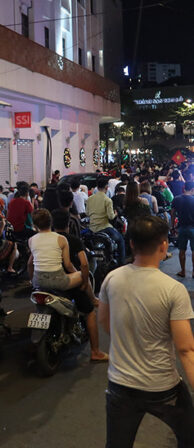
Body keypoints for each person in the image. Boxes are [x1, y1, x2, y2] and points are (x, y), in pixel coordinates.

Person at [98, 216, 194, 448]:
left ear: (131, 243)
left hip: (120, 384)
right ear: (163, 246)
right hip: (162, 387)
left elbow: (105, 322)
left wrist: (130, 343)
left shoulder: (112, 278)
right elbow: (185, 349)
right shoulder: (173, 290)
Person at [52, 209, 108, 362]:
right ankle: (95, 351)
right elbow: (84, 264)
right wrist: (83, 281)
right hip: (67, 282)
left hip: (43, 283)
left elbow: (31, 263)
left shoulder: (44, 239)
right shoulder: (73, 241)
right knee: (90, 312)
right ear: (68, 224)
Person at [27, 209, 82, 292]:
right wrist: (76, 273)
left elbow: (29, 264)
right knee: (82, 275)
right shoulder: (61, 239)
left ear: (35, 225)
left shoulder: (31, 240)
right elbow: (68, 265)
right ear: (51, 222)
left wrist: (33, 281)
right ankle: (92, 299)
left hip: (38, 282)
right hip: (58, 281)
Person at [86, 177, 126, 265]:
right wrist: (115, 213)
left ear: (97, 186)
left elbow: (87, 213)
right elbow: (111, 217)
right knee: (121, 240)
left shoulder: (90, 199)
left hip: (92, 228)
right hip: (104, 227)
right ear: (107, 187)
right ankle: (121, 264)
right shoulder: (107, 200)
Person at [171, 180, 194, 278]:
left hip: (181, 228)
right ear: (192, 189)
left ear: (184, 188)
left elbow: (172, 214)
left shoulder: (176, 199)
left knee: (182, 250)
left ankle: (183, 271)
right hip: (193, 228)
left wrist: (172, 226)